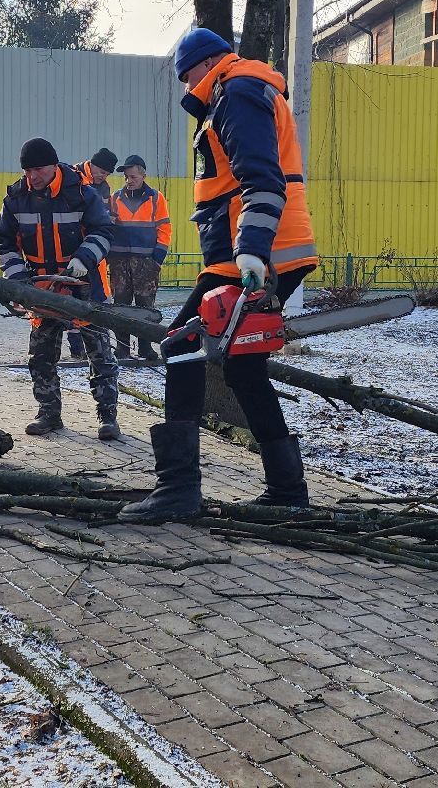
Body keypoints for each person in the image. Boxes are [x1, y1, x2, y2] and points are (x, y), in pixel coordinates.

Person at [120, 29, 318, 523]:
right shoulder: (237, 91)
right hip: (257, 251)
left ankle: (178, 488)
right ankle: (288, 492)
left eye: (185, 77)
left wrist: (251, 250)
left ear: (198, 66)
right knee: (244, 368)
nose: (186, 88)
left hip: (251, 254)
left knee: (181, 347)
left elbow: (262, 177)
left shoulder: (236, 92)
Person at [0, 137, 122, 440]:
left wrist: (84, 257)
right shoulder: (16, 197)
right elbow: (5, 245)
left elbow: (104, 231)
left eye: (38, 169)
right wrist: (17, 285)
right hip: (42, 291)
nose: (32, 177)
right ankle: (49, 413)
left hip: (85, 286)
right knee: (41, 354)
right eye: (27, 170)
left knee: (100, 354)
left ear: (54, 166)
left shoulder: (81, 192)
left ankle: (108, 416)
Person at [107, 155, 172, 362]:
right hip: (119, 262)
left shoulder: (155, 198)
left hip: (146, 263)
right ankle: (123, 348)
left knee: (146, 308)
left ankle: (145, 348)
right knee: (121, 306)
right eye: (126, 177)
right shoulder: (115, 198)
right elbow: (107, 227)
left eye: (133, 176)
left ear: (144, 174)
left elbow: (164, 228)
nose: (129, 180)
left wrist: (157, 259)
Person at [67, 148, 121, 359]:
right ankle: (76, 349)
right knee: (72, 297)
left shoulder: (104, 188)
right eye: (101, 171)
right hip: (72, 245)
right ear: (92, 164)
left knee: (97, 297)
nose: (103, 176)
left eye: (107, 174)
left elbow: (103, 216)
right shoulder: (73, 177)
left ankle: (95, 346)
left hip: (94, 249)